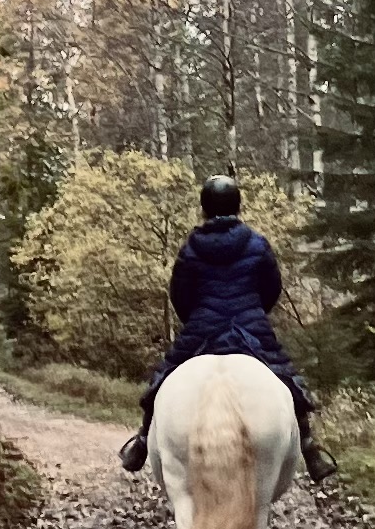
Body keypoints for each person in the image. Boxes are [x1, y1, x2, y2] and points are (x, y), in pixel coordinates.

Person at [118, 172, 334, 481]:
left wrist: (197, 319)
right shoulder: (258, 244)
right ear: (237, 206)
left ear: (204, 208)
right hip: (250, 326)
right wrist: (253, 313)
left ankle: (141, 442)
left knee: (162, 380)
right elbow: (272, 289)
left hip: (202, 328)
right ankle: (311, 449)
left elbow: (180, 296)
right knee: (287, 378)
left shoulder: (191, 247)